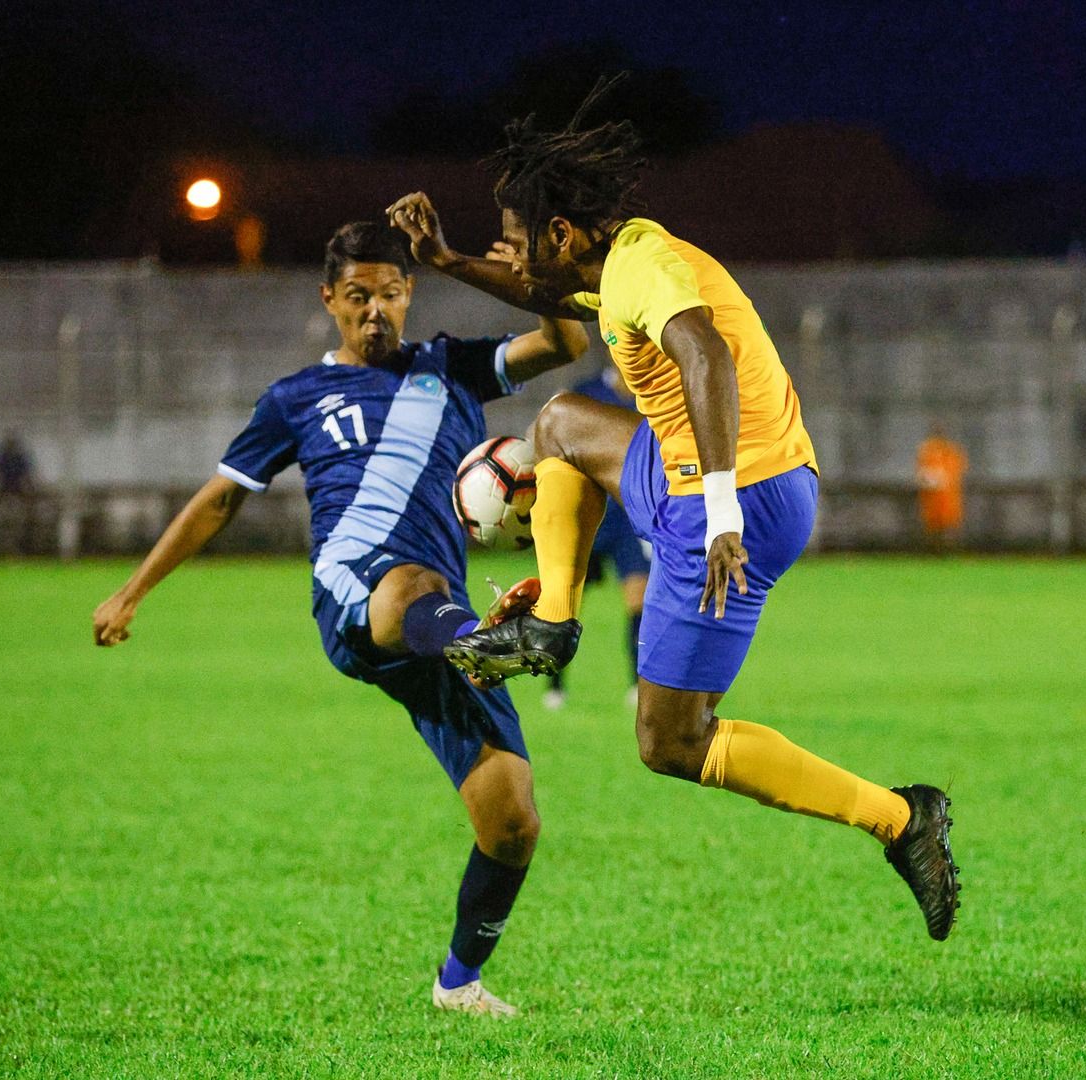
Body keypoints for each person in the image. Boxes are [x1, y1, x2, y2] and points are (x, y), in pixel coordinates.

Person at [387, 88, 960, 942]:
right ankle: (549, 624)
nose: (507, 256)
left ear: (561, 235)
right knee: (559, 425)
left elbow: (704, 349)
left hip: (734, 502)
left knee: (670, 742)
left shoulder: (642, 272)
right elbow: (535, 288)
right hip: (725, 480)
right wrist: (447, 260)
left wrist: (722, 511)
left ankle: (900, 820)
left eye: (515, 239)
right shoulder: (607, 266)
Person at [91, 222, 589, 1014]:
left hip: (444, 624)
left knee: (512, 821)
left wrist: (499, 271)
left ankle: (457, 985)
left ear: (409, 294)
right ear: (329, 300)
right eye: (358, 297)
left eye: (390, 294)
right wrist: (131, 591)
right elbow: (221, 497)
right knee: (410, 580)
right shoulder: (296, 398)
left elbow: (564, 338)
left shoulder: (450, 368)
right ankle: (485, 644)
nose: (375, 312)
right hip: (358, 592)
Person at [542, 364, 648, 712]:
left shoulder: (651, 396)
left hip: (628, 521)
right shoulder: (585, 393)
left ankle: (638, 684)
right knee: (566, 605)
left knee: (639, 602)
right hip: (587, 516)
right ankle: (555, 685)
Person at [916, 423, 969, 550]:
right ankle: (933, 549)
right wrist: (931, 479)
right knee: (933, 524)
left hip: (948, 495)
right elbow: (922, 472)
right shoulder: (927, 451)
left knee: (949, 523)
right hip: (932, 496)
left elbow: (957, 471)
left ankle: (949, 549)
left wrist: (943, 478)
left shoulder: (951, 451)